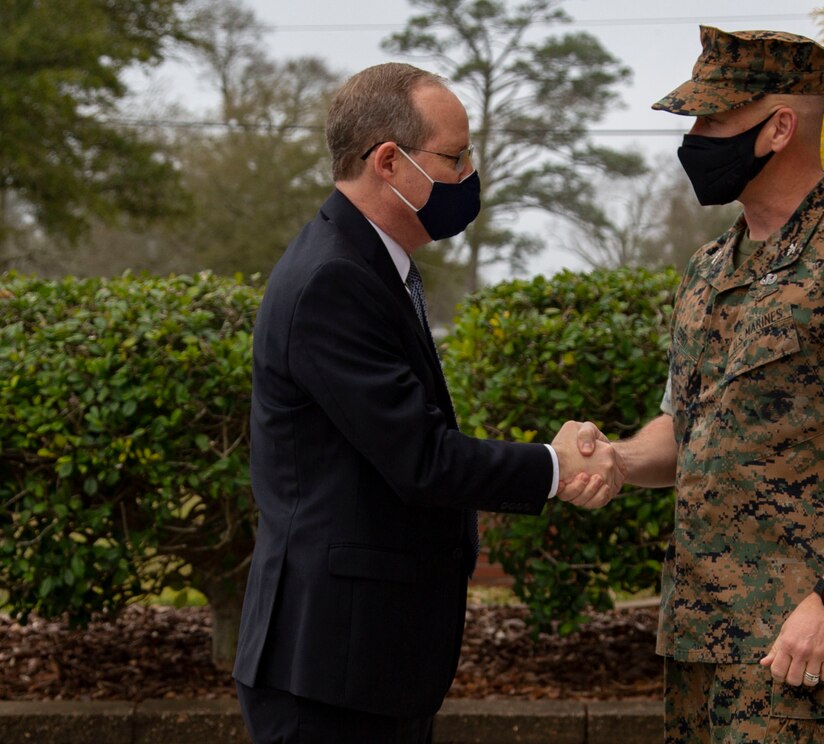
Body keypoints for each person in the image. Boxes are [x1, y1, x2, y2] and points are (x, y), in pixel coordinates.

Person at [572, 27, 824, 743]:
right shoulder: (710, 268)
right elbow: (687, 429)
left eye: (714, 120)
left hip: (800, 642)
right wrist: (620, 461)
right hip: (698, 637)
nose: (696, 139)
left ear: (779, 126)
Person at [232, 62, 623, 744]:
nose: (471, 174)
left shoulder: (367, 265)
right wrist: (555, 467)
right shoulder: (334, 280)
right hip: (327, 670)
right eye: (455, 156)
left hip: (366, 661)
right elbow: (421, 460)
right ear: (389, 161)